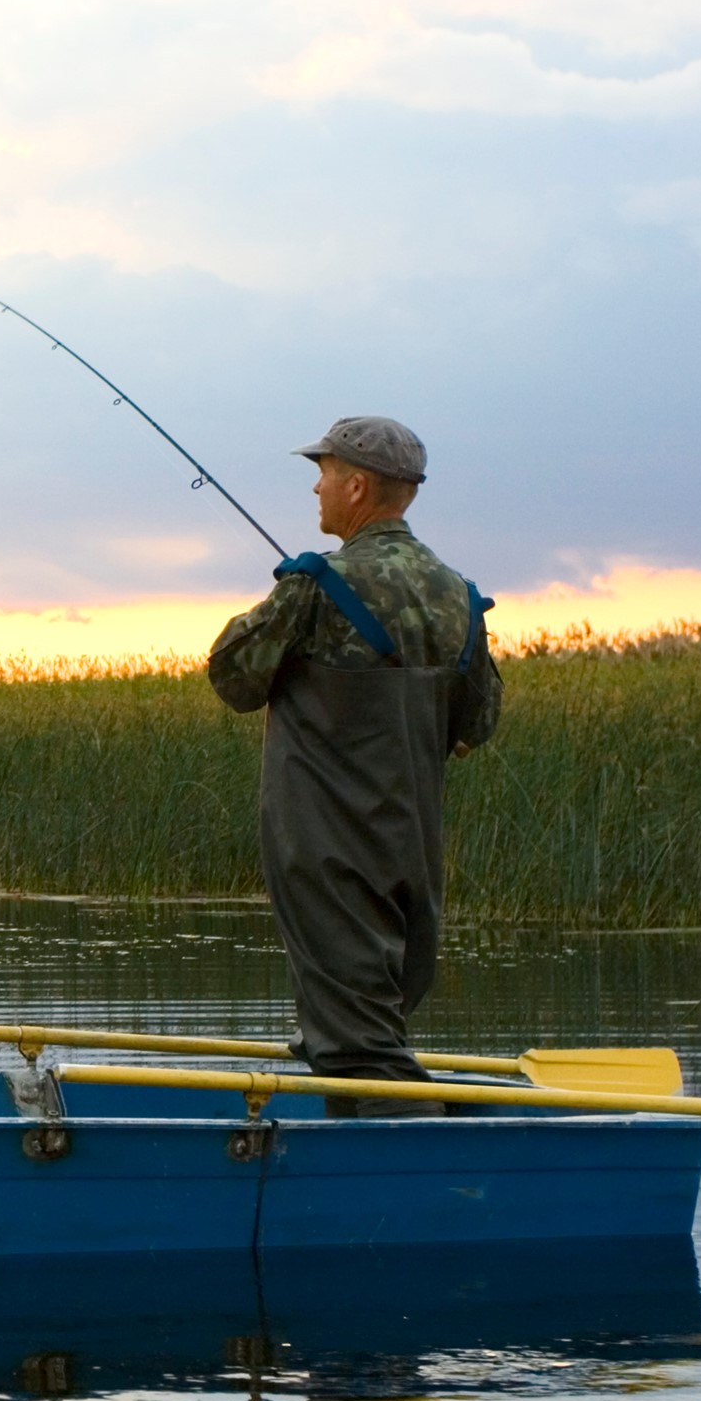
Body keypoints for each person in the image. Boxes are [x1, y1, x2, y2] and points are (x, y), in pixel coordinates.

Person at [208, 416, 501, 1112]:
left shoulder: (316, 586)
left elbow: (233, 679)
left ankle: (428, 1178)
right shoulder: (460, 598)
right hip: (414, 855)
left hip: (326, 850)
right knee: (367, 1027)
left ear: (359, 485)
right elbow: (476, 724)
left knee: (356, 1050)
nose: (316, 486)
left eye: (325, 472)